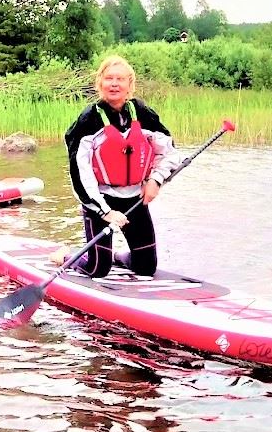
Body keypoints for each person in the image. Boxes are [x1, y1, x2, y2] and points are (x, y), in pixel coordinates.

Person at [58, 55, 182, 278]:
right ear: (100, 84)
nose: (114, 84)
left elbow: (170, 152)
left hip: (134, 198)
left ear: (129, 85)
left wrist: (155, 180)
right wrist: (105, 211)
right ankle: (69, 257)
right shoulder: (88, 120)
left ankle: (116, 256)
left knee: (146, 268)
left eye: (120, 79)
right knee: (98, 270)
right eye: (108, 78)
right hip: (100, 201)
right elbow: (79, 173)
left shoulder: (144, 115)